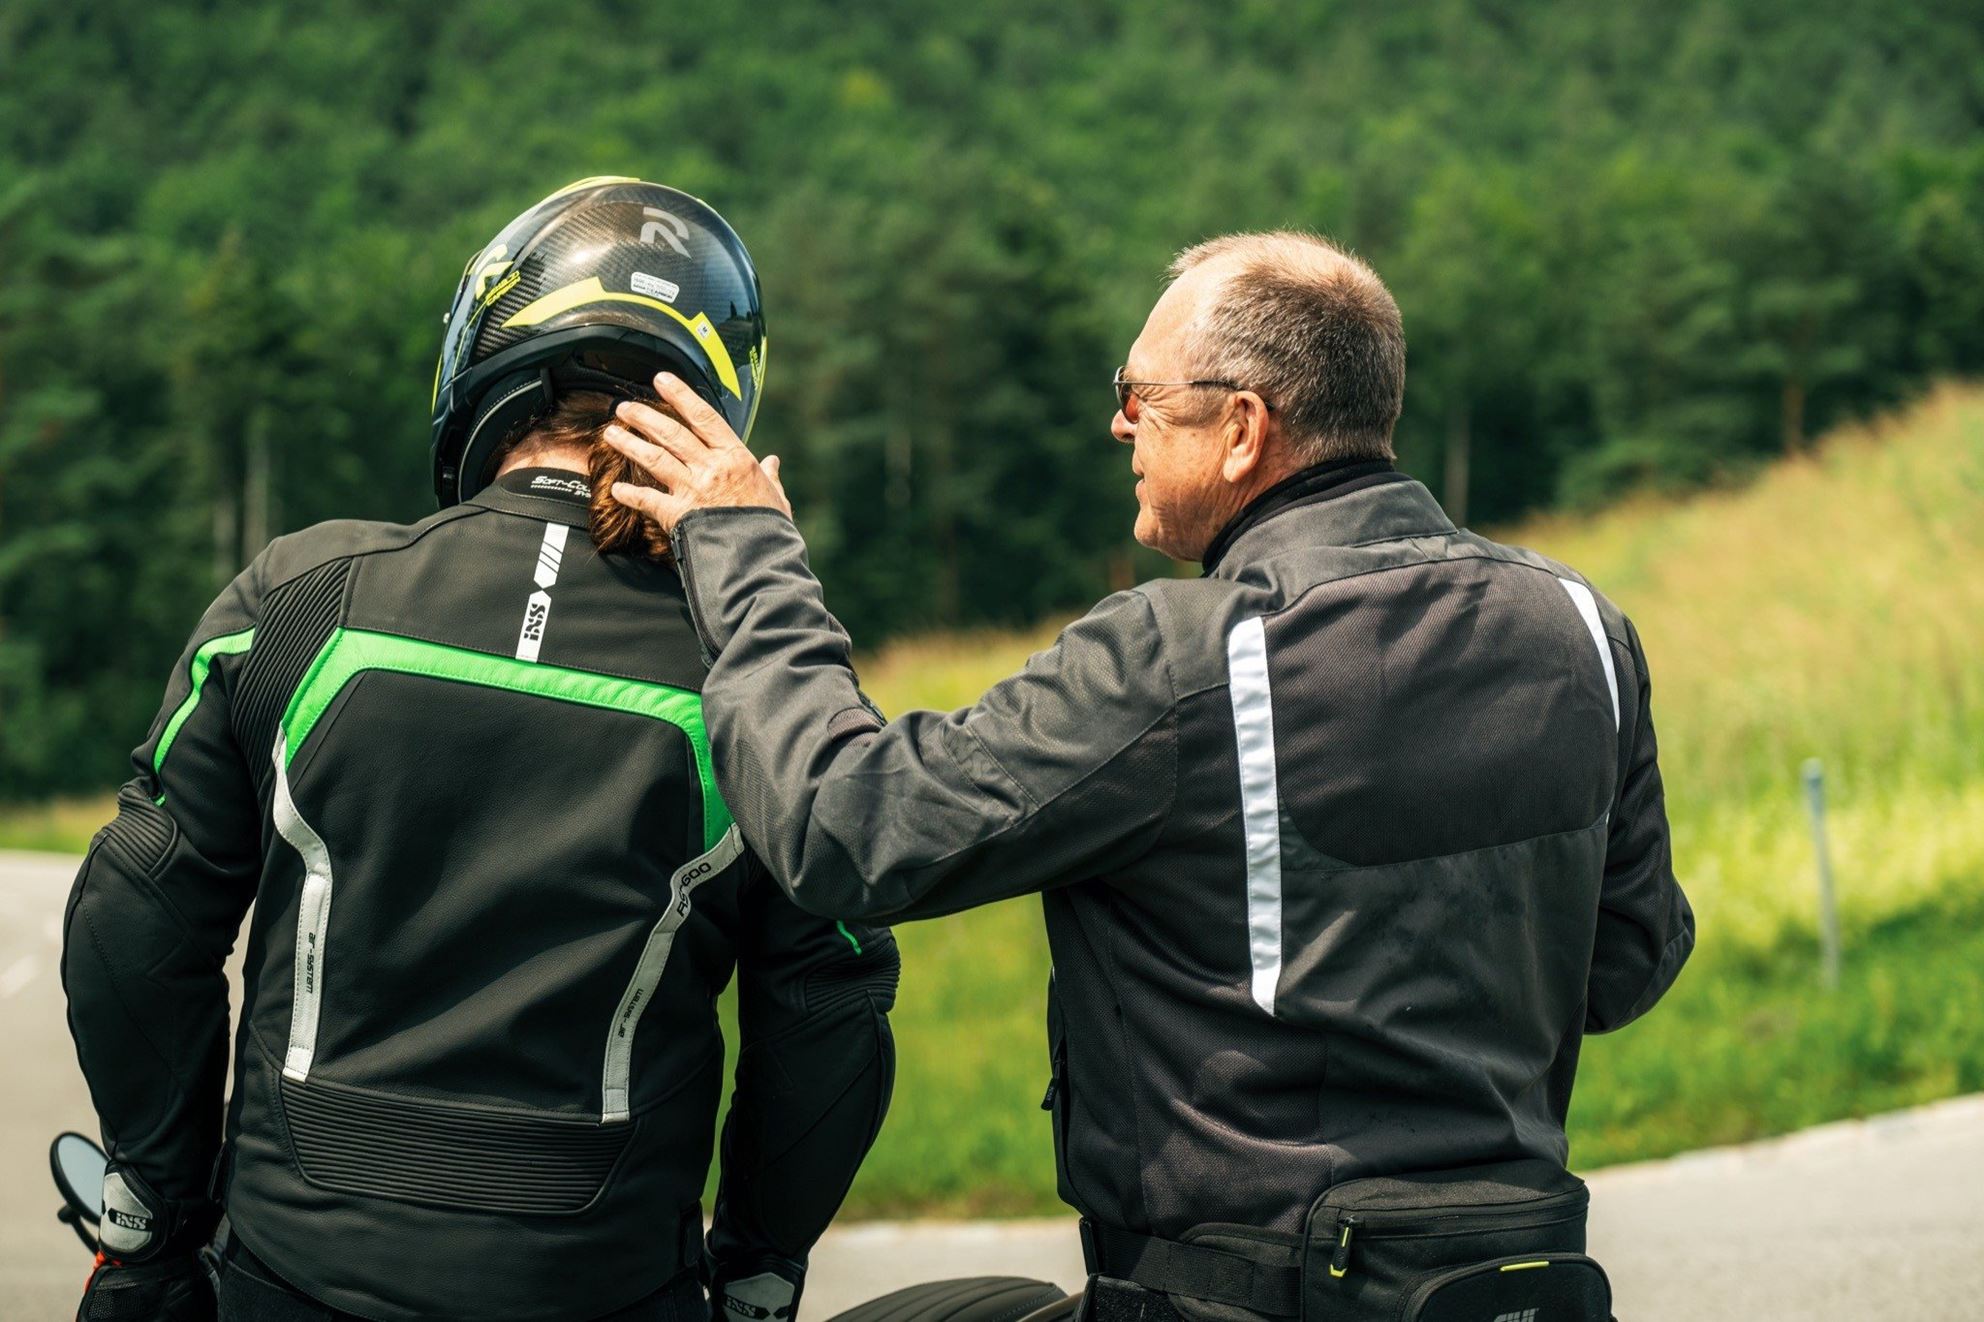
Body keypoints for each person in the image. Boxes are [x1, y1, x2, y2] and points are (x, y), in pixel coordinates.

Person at [604, 230, 1694, 1322]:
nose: (1117, 422)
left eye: (1139, 395)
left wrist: (745, 548)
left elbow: (843, 825)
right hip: (1511, 1284)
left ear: (1240, 430)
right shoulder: (1583, 627)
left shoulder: (1184, 659)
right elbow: (1627, 961)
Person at [62, 178, 899, 1322]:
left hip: (288, 1275)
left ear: (483, 356)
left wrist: (153, 1219)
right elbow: (827, 1004)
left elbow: (135, 912)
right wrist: (756, 1266)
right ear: (716, 413)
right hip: (605, 1284)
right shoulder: (753, 685)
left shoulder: (304, 599)